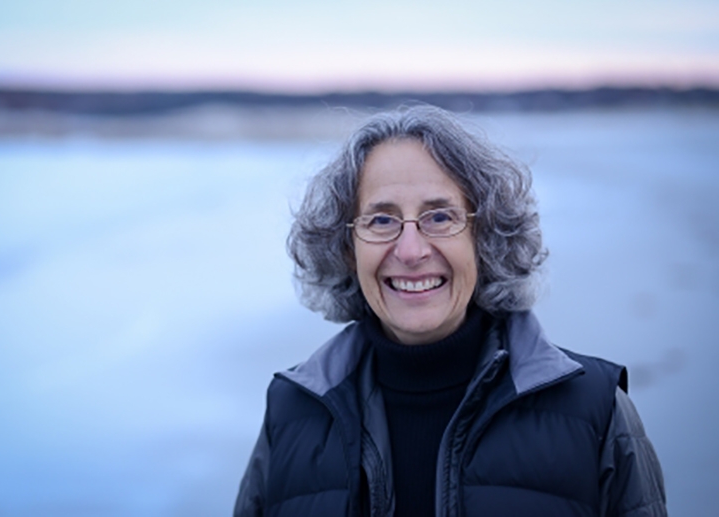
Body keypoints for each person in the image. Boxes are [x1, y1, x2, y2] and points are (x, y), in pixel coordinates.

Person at [234, 105, 666, 517]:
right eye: (381, 221)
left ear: (484, 237)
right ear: (348, 248)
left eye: (440, 217)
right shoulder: (290, 414)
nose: (410, 250)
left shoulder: (596, 412)